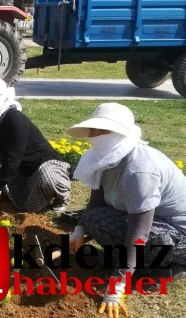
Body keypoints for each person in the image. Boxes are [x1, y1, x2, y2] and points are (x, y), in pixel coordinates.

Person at [66, 103, 186, 317]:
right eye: (93, 130)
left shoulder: (139, 170)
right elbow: (96, 201)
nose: (93, 135)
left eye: (102, 130)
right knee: (95, 219)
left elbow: (139, 234)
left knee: (152, 242)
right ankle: (132, 261)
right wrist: (79, 231)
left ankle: (167, 266)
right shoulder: (106, 158)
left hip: (178, 234)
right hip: (152, 222)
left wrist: (118, 285)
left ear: (120, 134)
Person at [0, 77, 71, 213]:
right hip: (19, 172)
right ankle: (2, 191)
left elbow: (13, 157)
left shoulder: (15, 119)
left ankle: (61, 197)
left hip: (41, 168)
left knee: (46, 178)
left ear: (0, 97)